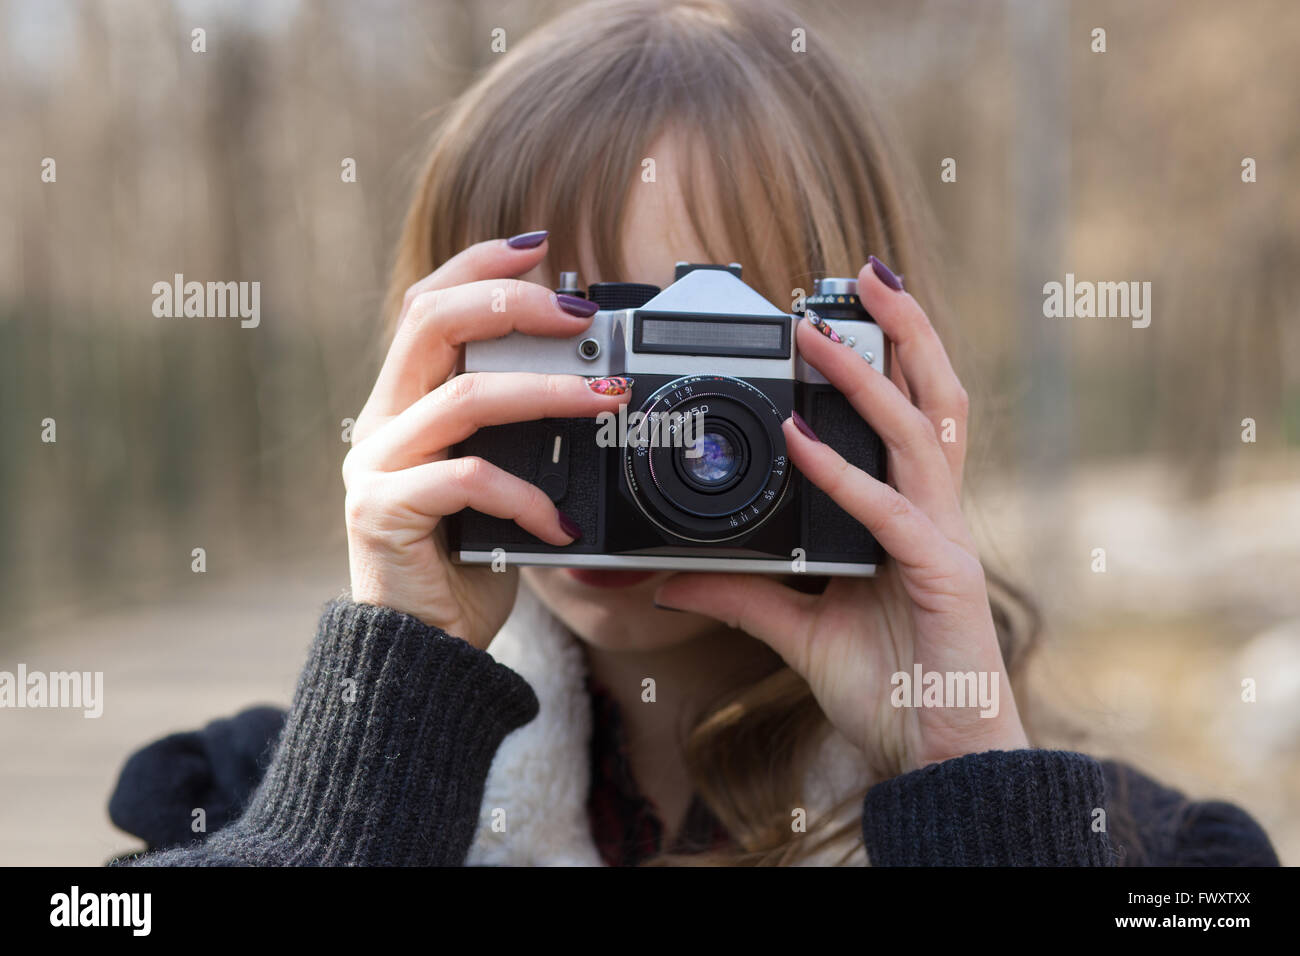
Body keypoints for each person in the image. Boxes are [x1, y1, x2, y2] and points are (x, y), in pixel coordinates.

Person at [107, 0, 1277, 867]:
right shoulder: (253, 795)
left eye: (704, 358)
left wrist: (968, 769)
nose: (638, 428)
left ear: (871, 373)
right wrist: (379, 748)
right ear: (429, 371)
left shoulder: (1155, 857)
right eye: (569, 347)